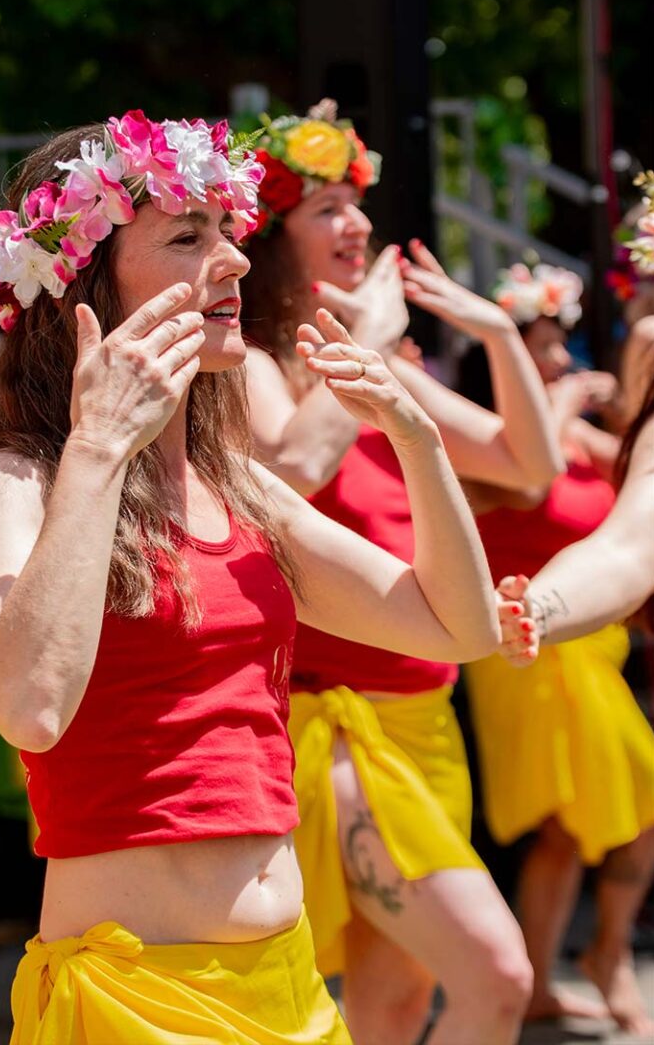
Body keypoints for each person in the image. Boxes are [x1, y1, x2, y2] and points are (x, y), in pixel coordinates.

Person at [0, 110, 528, 1044]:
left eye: (229, 231)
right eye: (186, 236)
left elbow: (457, 628)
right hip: (137, 1001)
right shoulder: (17, 480)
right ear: (83, 282)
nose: (236, 261)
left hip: (290, 992)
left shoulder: (236, 482)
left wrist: (415, 439)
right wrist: (98, 446)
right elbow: (29, 707)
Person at [240, 102, 562, 1045]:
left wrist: (499, 336)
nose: (358, 225)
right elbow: (291, 469)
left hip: (428, 726)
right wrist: (373, 348)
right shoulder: (254, 363)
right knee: (498, 978)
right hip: (336, 732)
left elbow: (526, 464)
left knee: (395, 1006)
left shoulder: (369, 356)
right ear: (271, 239)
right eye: (327, 208)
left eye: (356, 204)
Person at [461, 261, 654, 1037]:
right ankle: (547, 977)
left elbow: (636, 501)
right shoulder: (491, 441)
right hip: (525, 638)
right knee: (566, 825)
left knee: (635, 805)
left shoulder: (573, 432)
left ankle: (600, 955)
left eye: (558, 348)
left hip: (593, 642)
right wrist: (565, 400)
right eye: (539, 349)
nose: (557, 360)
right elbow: (531, 486)